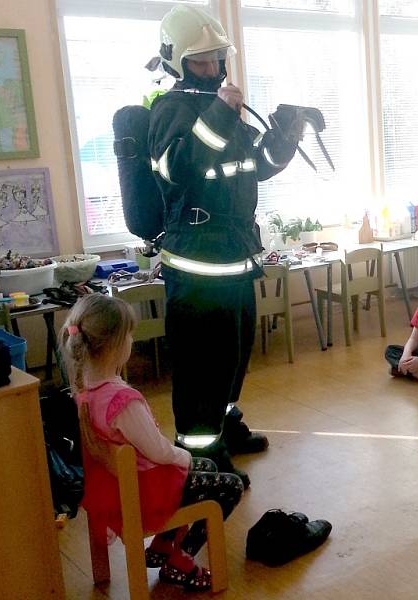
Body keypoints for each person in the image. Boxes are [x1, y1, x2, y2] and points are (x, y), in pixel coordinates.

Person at [148, 5, 304, 485]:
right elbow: (181, 170)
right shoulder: (169, 111)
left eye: (219, 58)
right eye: (202, 60)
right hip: (195, 268)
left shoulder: (222, 109)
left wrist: (285, 137)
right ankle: (201, 452)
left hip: (236, 259)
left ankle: (225, 422)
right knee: (201, 368)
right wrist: (220, 112)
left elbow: (253, 166)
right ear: (176, 61)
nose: (215, 68)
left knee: (235, 356)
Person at [60, 295, 244, 592]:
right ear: (117, 344)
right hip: (147, 490)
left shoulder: (82, 391)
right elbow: (158, 451)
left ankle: (164, 544)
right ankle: (180, 562)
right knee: (230, 486)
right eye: (129, 335)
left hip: (112, 485)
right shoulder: (122, 401)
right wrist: (184, 456)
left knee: (208, 466)